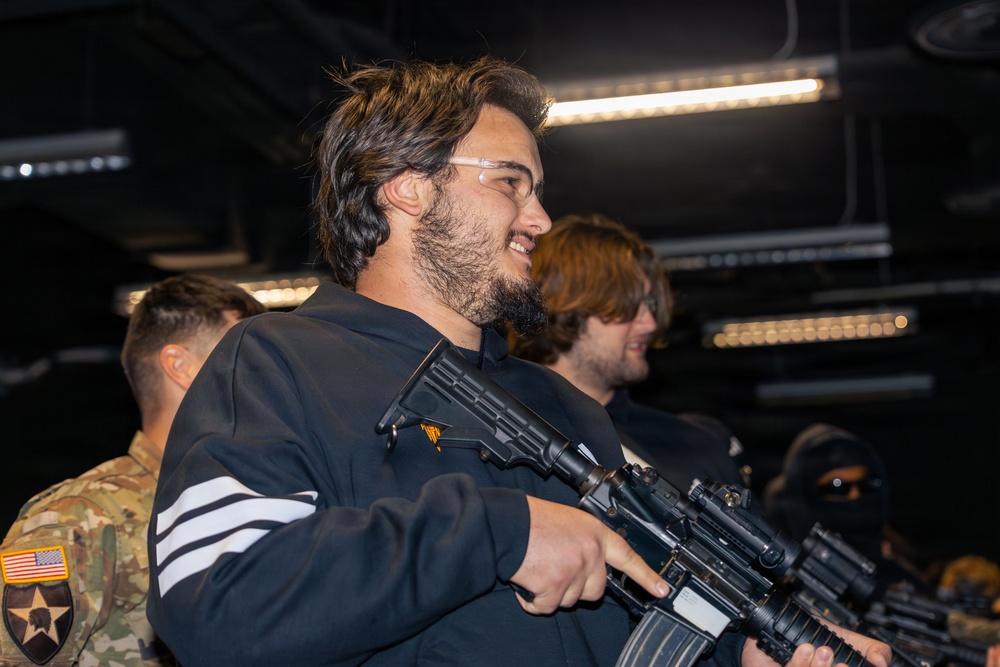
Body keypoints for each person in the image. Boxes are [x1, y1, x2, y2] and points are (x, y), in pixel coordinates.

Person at [146, 57, 890, 667]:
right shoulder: (277, 362)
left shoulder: (563, 406)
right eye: (510, 182)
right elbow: (215, 605)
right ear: (407, 187)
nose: (539, 219)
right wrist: (498, 531)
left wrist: (741, 655)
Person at [0, 274, 264, 666]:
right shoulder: (78, 518)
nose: (267, 377)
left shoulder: (255, 505)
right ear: (180, 366)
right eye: (248, 358)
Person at [508, 212, 744, 494]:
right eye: (627, 305)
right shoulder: (505, 434)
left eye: (649, 305)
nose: (650, 324)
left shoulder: (700, 444)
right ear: (565, 305)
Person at [762, 423, 927, 594]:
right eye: (838, 486)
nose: (855, 496)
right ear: (806, 493)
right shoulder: (777, 566)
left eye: (865, 484)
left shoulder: (896, 563)